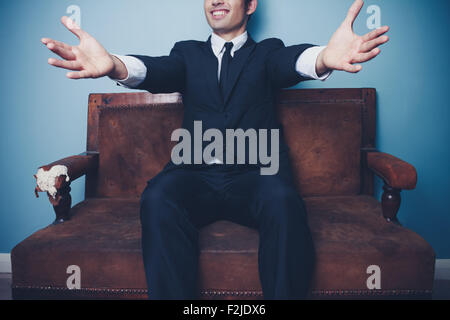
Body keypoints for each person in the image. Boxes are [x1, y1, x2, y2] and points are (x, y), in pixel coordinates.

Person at [42, 0, 389, 299]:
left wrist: (324, 58)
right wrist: (115, 66)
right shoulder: (187, 53)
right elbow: (159, 70)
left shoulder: (267, 51)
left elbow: (290, 61)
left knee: (283, 201)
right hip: (195, 173)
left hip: (257, 174)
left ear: (250, 6)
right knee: (158, 196)